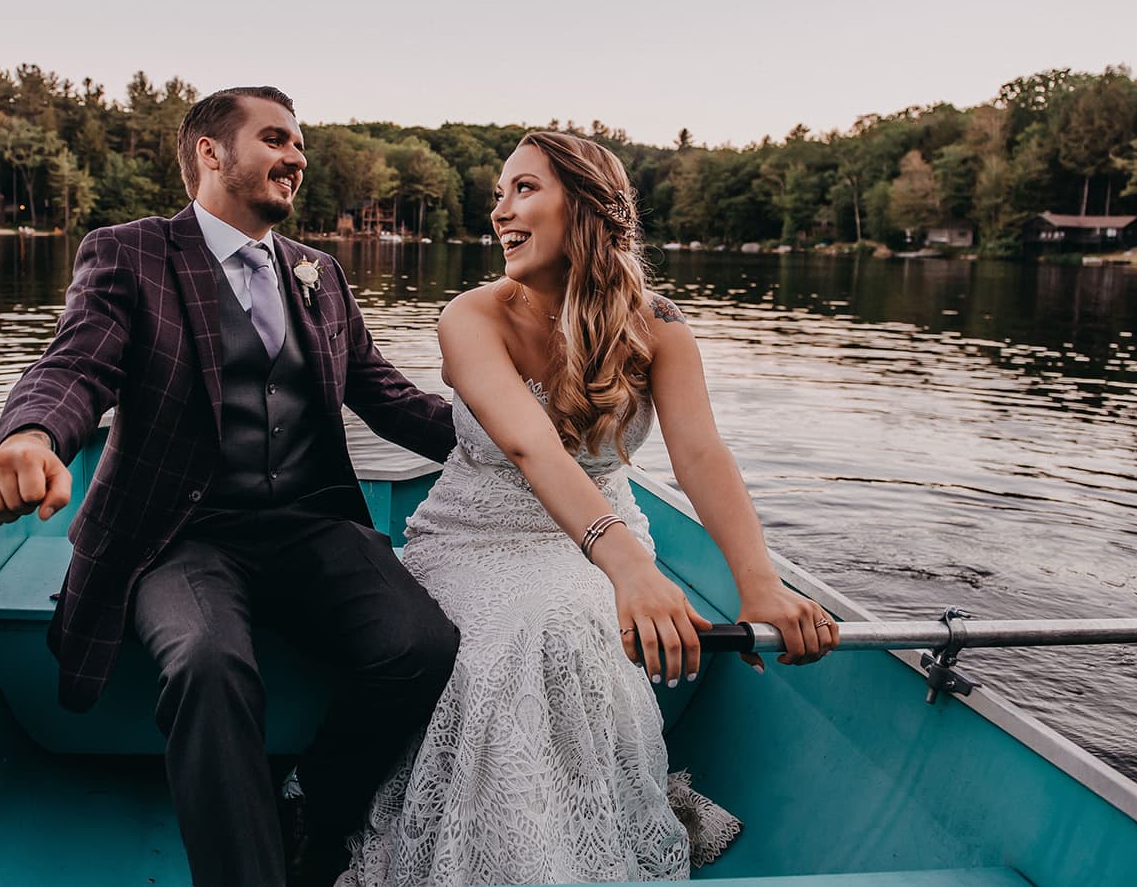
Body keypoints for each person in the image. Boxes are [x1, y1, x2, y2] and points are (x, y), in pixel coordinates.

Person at [0, 86, 460, 887]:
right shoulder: (131, 253)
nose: (296, 156)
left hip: (308, 522)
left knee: (422, 645)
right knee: (208, 663)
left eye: (300, 143)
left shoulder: (319, 273)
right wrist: (30, 435)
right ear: (209, 151)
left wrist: (517, 441)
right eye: (275, 138)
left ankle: (309, 802)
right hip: (177, 533)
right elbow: (75, 365)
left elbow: (389, 397)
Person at [341, 131, 841, 884]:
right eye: (499, 193)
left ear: (583, 204)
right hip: (480, 537)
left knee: (570, 618)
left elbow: (701, 456)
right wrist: (632, 568)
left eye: (524, 189)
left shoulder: (659, 325)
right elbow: (532, 449)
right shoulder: (470, 317)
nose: (500, 211)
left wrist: (759, 583)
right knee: (533, 632)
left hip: (600, 539)